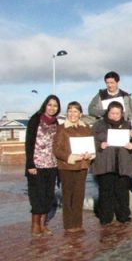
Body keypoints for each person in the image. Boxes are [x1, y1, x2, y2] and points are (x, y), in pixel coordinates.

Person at [92, 101, 132, 225]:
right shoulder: (99, 125)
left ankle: (123, 215)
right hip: (105, 162)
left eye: (117, 113)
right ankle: (106, 216)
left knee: (122, 191)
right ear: (108, 112)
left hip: (123, 162)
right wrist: (99, 145)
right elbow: (91, 140)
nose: (115, 115)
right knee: (106, 191)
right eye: (112, 113)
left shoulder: (128, 125)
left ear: (122, 113)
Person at [53, 101, 94, 233]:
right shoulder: (61, 128)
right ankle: (69, 224)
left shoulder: (86, 128)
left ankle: (78, 222)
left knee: (79, 195)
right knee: (68, 195)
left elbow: (91, 145)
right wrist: (70, 157)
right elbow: (57, 149)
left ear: (80, 114)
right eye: (70, 111)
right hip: (67, 166)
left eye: (75, 111)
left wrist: (90, 154)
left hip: (82, 165)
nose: (72, 114)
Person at [25, 95, 61, 236]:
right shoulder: (35, 120)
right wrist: (30, 164)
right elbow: (29, 143)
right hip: (37, 165)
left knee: (48, 195)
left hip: (51, 165)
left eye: (55, 106)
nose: (52, 108)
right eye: (50, 105)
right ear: (45, 105)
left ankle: (43, 224)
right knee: (36, 195)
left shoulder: (56, 123)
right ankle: (35, 225)